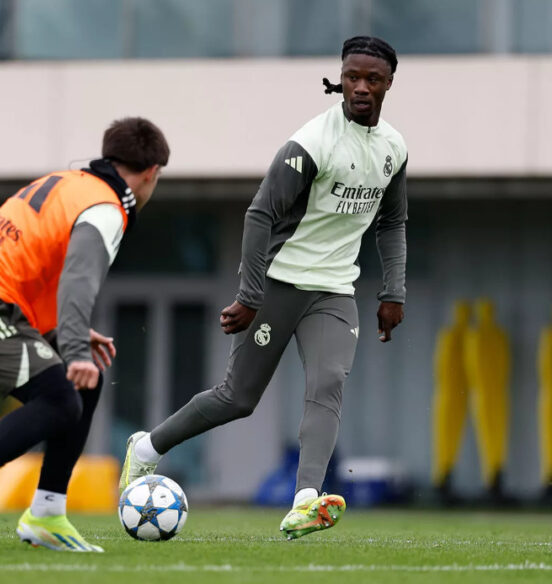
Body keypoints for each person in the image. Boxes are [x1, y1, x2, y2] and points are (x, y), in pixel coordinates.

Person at [120, 36, 407, 540]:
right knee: (238, 398)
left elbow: (392, 223)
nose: (361, 87)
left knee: (328, 385)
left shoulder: (394, 148)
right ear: (340, 79)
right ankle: (147, 448)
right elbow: (259, 213)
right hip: (282, 283)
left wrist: (393, 292)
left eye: (372, 79)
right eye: (352, 77)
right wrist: (250, 296)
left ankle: (305, 501)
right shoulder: (312, 143)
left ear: (388, 84)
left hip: (336, 291)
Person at [0, 117, 169, 552]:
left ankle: (47, 514)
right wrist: (73, 348)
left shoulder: (71, 182)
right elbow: (76, 281)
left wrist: (64, 331)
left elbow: (34, 262)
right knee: (58, 397)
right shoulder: (107, 208)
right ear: (151, 173)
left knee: (82, 390)